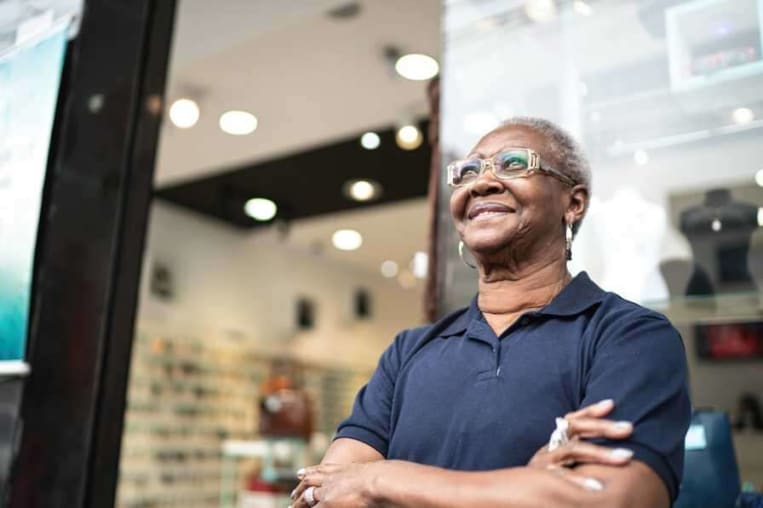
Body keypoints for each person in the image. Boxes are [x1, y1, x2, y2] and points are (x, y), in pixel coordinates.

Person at [291, 117, 691, 507]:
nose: (481, 183)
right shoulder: (409, 351)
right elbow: (326, 496)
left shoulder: (630, 338)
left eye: (514, 164)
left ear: (573, 202)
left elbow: (616, 498)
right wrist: (528, 487)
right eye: (467, 172)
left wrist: (381, 479)